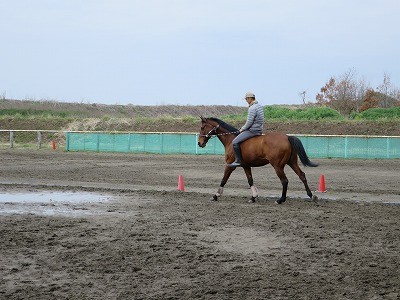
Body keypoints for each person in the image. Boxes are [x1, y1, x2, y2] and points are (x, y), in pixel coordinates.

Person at [228, 92, 264, 167]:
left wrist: (242, 129)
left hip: (253, 130)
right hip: (259, 129)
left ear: (250, 98)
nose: (246, 101)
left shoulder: (252, 108)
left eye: (246, 99)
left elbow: (249, 122)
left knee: (235, 141)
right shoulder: (259, 106)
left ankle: (238, 161)